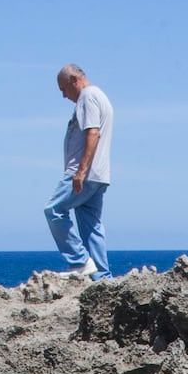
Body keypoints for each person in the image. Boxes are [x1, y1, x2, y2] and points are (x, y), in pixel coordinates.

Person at [45, 63, 114, 278]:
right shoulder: (101, 96)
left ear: (74, 80)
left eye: (64, 89)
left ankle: (80, 261)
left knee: (54, 210)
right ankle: (102, 278)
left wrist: (80, 172)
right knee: (91, 226)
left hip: (84, 173)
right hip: (100, 175)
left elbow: (93, 133)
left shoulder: (87, 96)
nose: (64, 96)